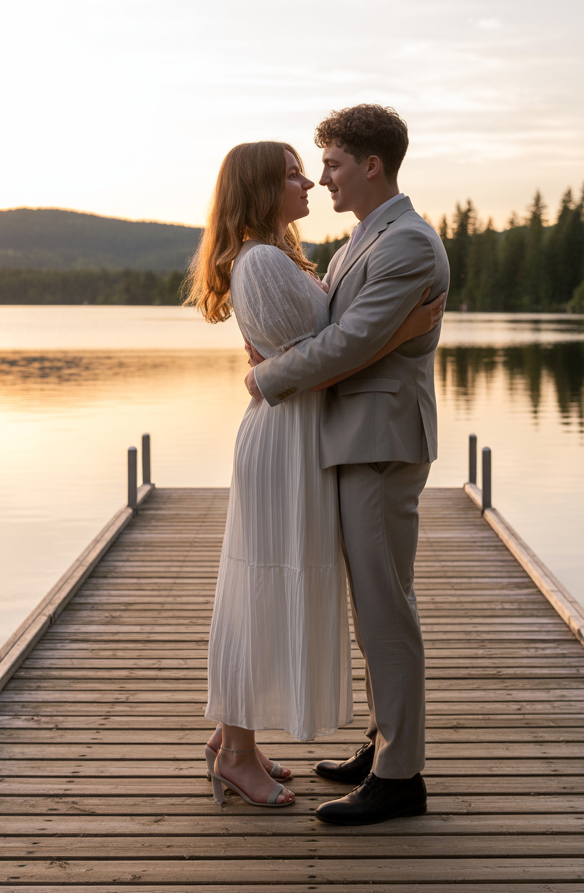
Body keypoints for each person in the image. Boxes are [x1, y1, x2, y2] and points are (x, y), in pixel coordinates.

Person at [186, 139, 444, 809]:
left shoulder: (327, 249)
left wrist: (283, 364)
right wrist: (398, 329)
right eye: (295, 173)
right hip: (290, 433)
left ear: (372, 165)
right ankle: (237, 748)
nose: (311, 181)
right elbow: (341, 344)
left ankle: (241, 743)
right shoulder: (269, 259)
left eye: (321, 166)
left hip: (319, 433)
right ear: (262, 189)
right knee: (264, 583)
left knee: (276, 583)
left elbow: (339, 340)